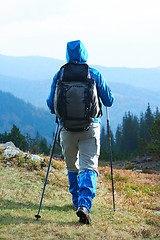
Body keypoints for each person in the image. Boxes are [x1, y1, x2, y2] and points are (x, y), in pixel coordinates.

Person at [47, 40, 114, 224]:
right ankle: (85, 205)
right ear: (84, 53)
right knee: (89, 166)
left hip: (66, 128)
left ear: (68, 54)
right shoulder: (94, 73)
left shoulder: (60, 74)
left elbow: (50, 103)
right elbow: (109, 101)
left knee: (72, 166)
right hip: (90, 127)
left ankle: (76, 202)